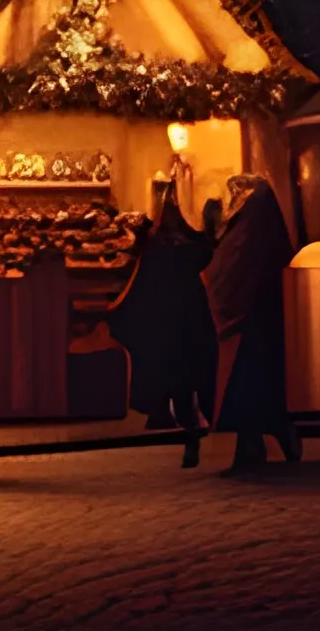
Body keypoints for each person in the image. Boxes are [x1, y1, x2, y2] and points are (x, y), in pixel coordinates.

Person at [106, 183, 218, 465]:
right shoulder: (194, 248)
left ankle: (190, 433)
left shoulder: (156, 248)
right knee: (191, 381)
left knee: (177, 382)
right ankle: (195, 434)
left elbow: (143, 287)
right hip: (189, 324)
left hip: (168, 327)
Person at [205, 175, 300, 471]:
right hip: (259, 324)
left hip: (249, 326)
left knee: (246, 388)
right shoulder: (258, 229)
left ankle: (253, 448)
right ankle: (259, 444)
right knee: (255, 391)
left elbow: (228, 272)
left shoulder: (247, 232)